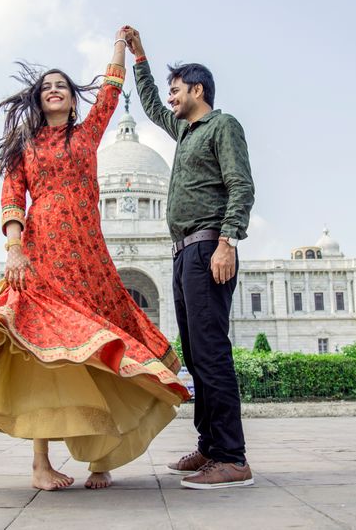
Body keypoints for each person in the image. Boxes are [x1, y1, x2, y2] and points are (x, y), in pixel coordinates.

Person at [0, 27, 188, 491]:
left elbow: (111, 89)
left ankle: (102, 460)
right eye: (46, 87)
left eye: (61, 85)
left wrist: (122, 47)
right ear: (39, 101)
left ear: (73, 101)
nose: (55, 90)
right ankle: (40, 464)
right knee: (40, 353)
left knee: (100, 351)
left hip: (90, 256)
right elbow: (11, 195)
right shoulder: (26, 146)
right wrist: (14, 247)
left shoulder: (88, 134)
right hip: (43, 252)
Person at [125, 27, 256, 490]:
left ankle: (231, 456)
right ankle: (208, 446)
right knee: (197, 356)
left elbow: (241, 185)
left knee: (213, 352)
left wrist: (227, 242)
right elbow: (153, 108)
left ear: (197, 90)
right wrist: (140, 59)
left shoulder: (223, 126)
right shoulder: (184, 129)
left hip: (207, 247)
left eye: (176, 90)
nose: (171, 99)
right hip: (184, 253)